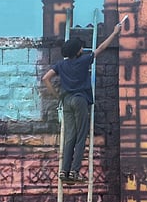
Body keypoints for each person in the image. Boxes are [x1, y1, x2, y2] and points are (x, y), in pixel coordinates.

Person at [41, 20, 123, 183]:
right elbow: (100, 49)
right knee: (80, 137)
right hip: (79, 100)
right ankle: (75, 172)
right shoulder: (83, 60)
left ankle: (64, 171)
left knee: (70, 136)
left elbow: (46, 78)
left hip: (66, 101)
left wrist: (57, 96)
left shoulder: (61, 64)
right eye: (79, 47)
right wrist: (114, 33)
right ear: (78, 51)